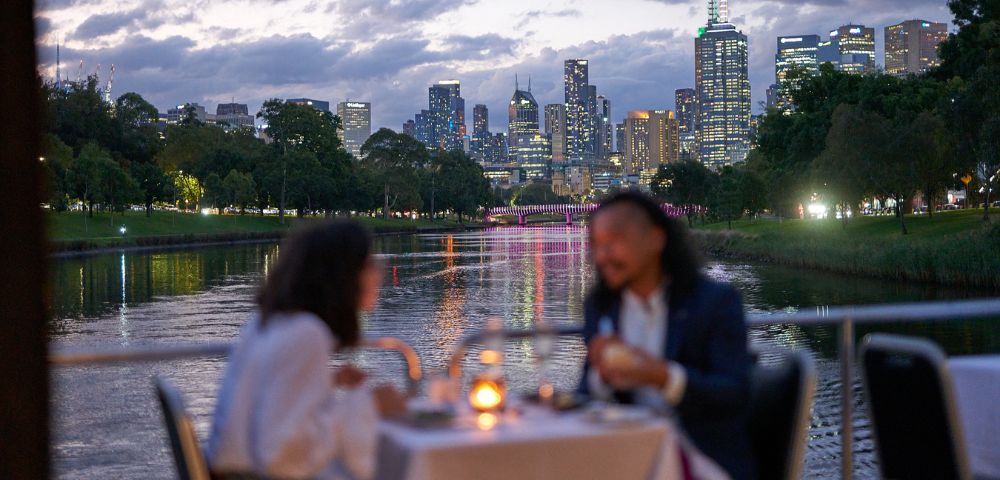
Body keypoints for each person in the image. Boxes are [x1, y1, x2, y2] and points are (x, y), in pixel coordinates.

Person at [207, 221, 406, 480]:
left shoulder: (267, 321)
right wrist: (369, 404)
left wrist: (328, 380)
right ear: (342, 274)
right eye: (368, 263)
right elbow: (282, 456)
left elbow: (266, 399)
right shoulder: (306, 333)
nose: (378, 271)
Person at [579, 191, 755, 480]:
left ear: (656, 240)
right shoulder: (600, 307)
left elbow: (734, 394)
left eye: (613, 243)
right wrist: (601, 374)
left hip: (701, 458)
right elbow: (585, 394)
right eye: (597, 245)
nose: (602, 257)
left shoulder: (714, 302)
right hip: (623, 456)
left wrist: (663, 377)